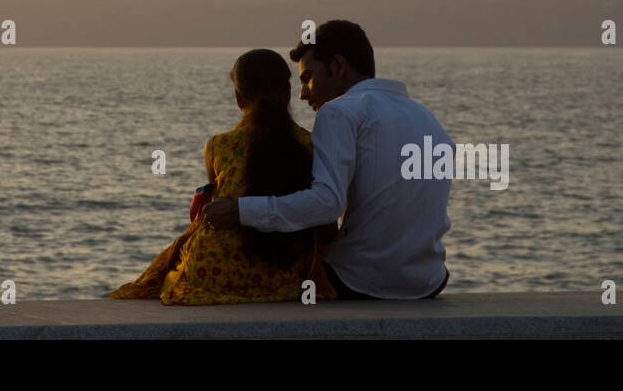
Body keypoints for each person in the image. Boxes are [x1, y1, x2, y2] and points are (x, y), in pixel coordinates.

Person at [204, 20, 452, 299]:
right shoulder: (427, 119)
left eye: (308, 77)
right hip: (427, 281)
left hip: (362, 282)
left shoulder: (339, 112)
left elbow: (325, 204)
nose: (303, 94)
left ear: (338, 66)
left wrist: (240, 211)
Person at [110, 49, 337, 305]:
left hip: (212, 273)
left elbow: (206, 211)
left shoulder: (218, 146)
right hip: (283, 279)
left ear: (239, 99)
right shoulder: (311, 144)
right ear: (287, 95)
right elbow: (323, 224)